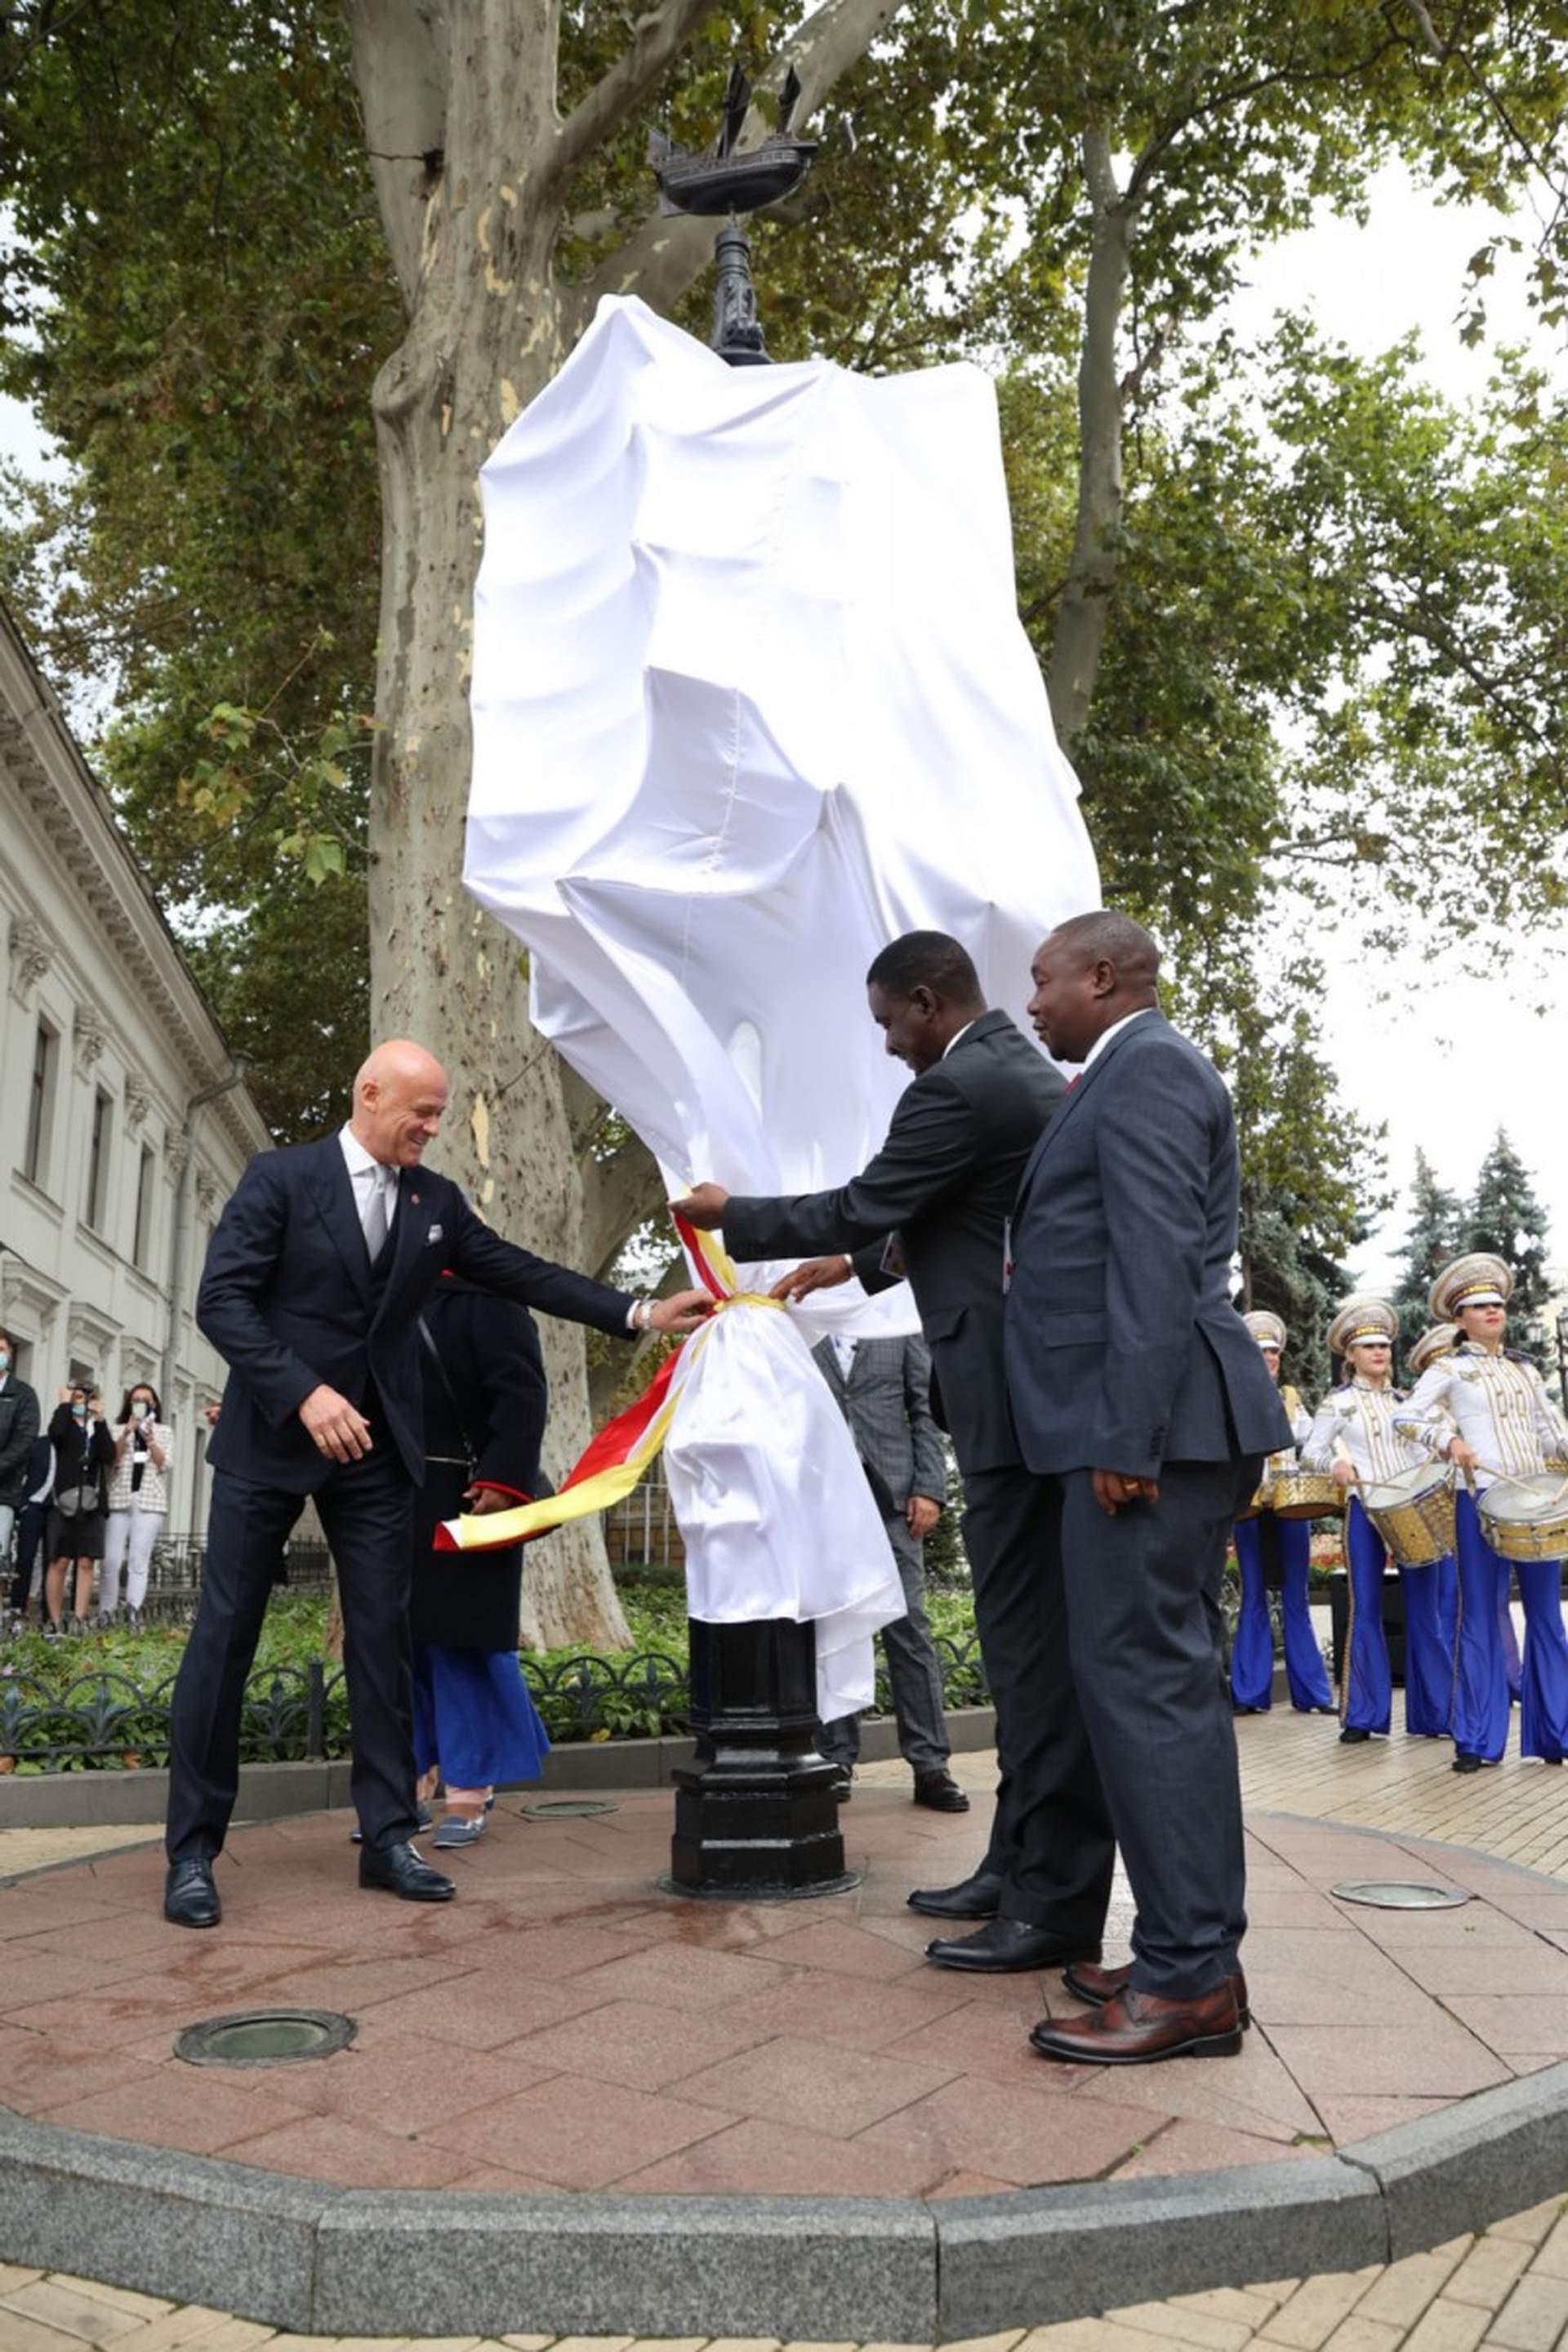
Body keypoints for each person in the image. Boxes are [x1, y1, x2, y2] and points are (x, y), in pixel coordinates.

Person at [163, 1039, 710, 1930]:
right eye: (420, 1111)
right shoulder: (280, 1180)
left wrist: (639, 1311)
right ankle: (192, 1851)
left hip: (382, 1455)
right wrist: (305, 1394)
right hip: (271, 1443)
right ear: (368, 1092)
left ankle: (388, 1838)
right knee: (225, 1639)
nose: (432, 1126)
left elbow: (517, 1272)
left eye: (440, 1114)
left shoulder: (435, 1202)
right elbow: (223, 1301)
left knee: (387, 1642)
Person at [673, 929, 1116, 1977]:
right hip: (1020, 1399)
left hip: (1011, 1406)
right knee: (1018, 1653)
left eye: (886, 1023)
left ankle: (1048, 1897)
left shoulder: (957, 1088)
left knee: (1029, 1655)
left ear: (926, 1002)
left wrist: (730, 1215)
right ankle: (1016, 1863)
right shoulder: (1007, 1070)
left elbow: (869, 1198)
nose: (884, 1047)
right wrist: (859, 1262)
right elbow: (943, 1214)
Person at [1009, 911, 1289, 2068]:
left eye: (1042, 983)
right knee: (1143, 1683)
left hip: (1150, 1432)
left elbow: (1160, 1254)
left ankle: (1188, 1982)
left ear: (1103, 976)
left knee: (1147, 1686)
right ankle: (1189, 1952)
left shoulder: (1152, 1068)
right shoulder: (1121, 1074)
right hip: (1142, 1424)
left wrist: (1128, 1429)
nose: (1032, 1006)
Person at [1393, 1254, 1568, 1773]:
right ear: (1460, 1319)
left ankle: (1556, 1734)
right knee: (1480, 1618)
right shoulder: (1450, 1368)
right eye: (1479, 1306)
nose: (1493, 1312)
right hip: (1481, 1499)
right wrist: (1448, 1440)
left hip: (1533, 1499)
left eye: (1497, 1304)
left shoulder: (1525, 1368)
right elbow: (1407, 1415)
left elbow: (1548, 1431)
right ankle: (1476, 1739)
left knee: (1546, 1616)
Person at [409, 1267, 552, 1846]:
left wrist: (502, 1478)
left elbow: (522, 1395)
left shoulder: (490, 1297)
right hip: (391, 1499)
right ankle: (409, 1779)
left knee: (464, 1645)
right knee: (401, 1646)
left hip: (473, 1499)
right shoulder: (377, 1291)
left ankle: (469, 1788)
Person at [809, 1328, 967, 1811]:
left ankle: (930, 1766)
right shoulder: (802, 1324)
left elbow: (923, 1410)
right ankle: (836, 1758)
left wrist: (929, 1487)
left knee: (909, 1628)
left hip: (895, 1498)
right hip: (823, 1496)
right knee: (837, 1625)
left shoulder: (895, 1322)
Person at [1302, 1295, 1456, 1742]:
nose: (1379, 1353)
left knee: (1424, 1611)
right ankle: (1363, 1718)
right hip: (1364, 1510)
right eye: (1369, 1347)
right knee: (1365, 1608)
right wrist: (1334, 1465)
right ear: (1350, 1355)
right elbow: (1310, 1450)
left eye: (1384, 1346)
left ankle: (1436, 1715)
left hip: (1412, 1509)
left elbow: (1423, 1448)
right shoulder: (1338, 1404)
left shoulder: (1407, 1402)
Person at [1229, 1312, 1333, 1717]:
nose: (1269, 1359)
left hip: (1292, 1505)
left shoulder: (1291, 1399)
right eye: (1261, 1352)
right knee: (1253, 1593)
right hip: (1250, 1504)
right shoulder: (1233, 1395)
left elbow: (1311, 1441)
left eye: (1274, 1352)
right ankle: (1250, 1693)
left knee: (1297, 1595)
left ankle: (1313, 1693)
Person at [100, 1383, 173, 1620]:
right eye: (136, 1399)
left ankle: (133, 1611)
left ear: (154, 1405)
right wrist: (127, 1433)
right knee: (111, 1560)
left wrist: (150, 1440)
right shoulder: (117, 1428)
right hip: (119, 1498)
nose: (141, 1403)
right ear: (129, 1404)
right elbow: (111, 1460)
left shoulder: (163, 1431)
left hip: (149, 1501)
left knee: (138, 1559)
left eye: (147, 1400)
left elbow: (165, 1465)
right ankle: (107, 1612)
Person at [44, 1384, 114, 1629]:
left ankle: (79, 1619)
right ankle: (54, 1620)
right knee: (60, 1560)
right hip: (62, 1500)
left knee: (86, 1562)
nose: (82, 1402)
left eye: (87, 1397)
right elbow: (56, 1434)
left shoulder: (96, 1429)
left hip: (91, 1502)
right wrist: (64, 1405)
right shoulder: (65, 1422)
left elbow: (108, 1456)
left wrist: (101, 1419)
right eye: (78, 1397)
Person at [0, 1328, 41, 1593]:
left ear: (10, 1354)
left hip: (3, 1491)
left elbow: (24, 1441)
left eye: (1, 1350)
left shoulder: (23, 1395)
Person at [7, 1429, 53, 1620]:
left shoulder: (74, 1446)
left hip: (57, 1508)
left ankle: (48, 1610)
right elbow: (21, 1471)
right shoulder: (41, 1444)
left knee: (51, 1559)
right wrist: (23, 1502)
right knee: (25, 1556)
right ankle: (17, 1605)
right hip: (33, 1505)